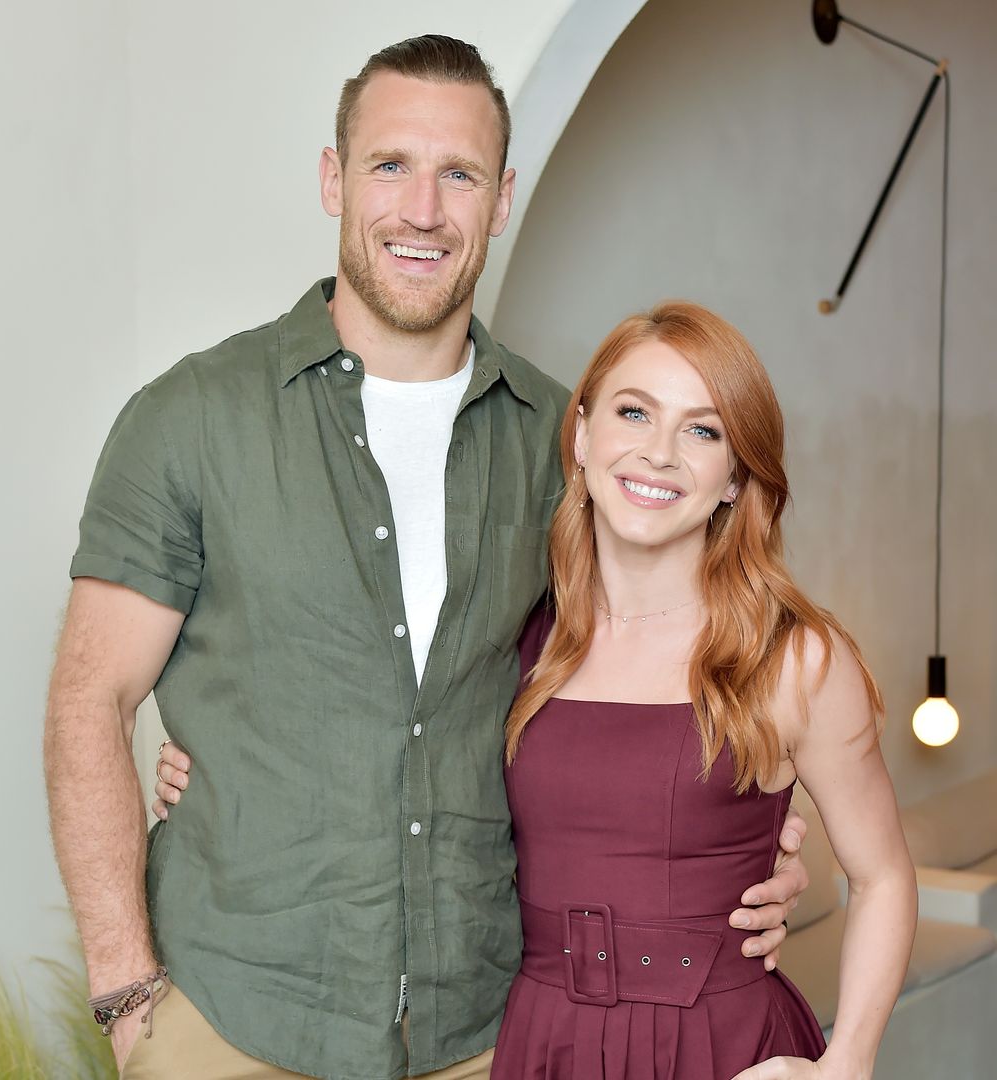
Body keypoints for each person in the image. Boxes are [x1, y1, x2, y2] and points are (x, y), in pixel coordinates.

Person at [46, 36, 807, 1080]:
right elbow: (88, 702)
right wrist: (130, 992)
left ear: (499, 201)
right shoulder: (191, 420)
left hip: (487, 1028)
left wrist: (763, 830)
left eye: (458, 175)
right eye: (390, 165)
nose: (421, 209)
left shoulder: (569, 441)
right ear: (333, 180)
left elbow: (679, 646)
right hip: (233, 1018)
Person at [159, 302, 917, 1080]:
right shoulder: (524, 640)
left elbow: (883, 874)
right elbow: (392, 739)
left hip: (718, 1045)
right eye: (634, 413)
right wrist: (211, 761)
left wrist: (846, 1064)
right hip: (541, 1041)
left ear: (734, 477)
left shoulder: (795, 659)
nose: (659, 454)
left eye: (702, 430)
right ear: (582, 436)